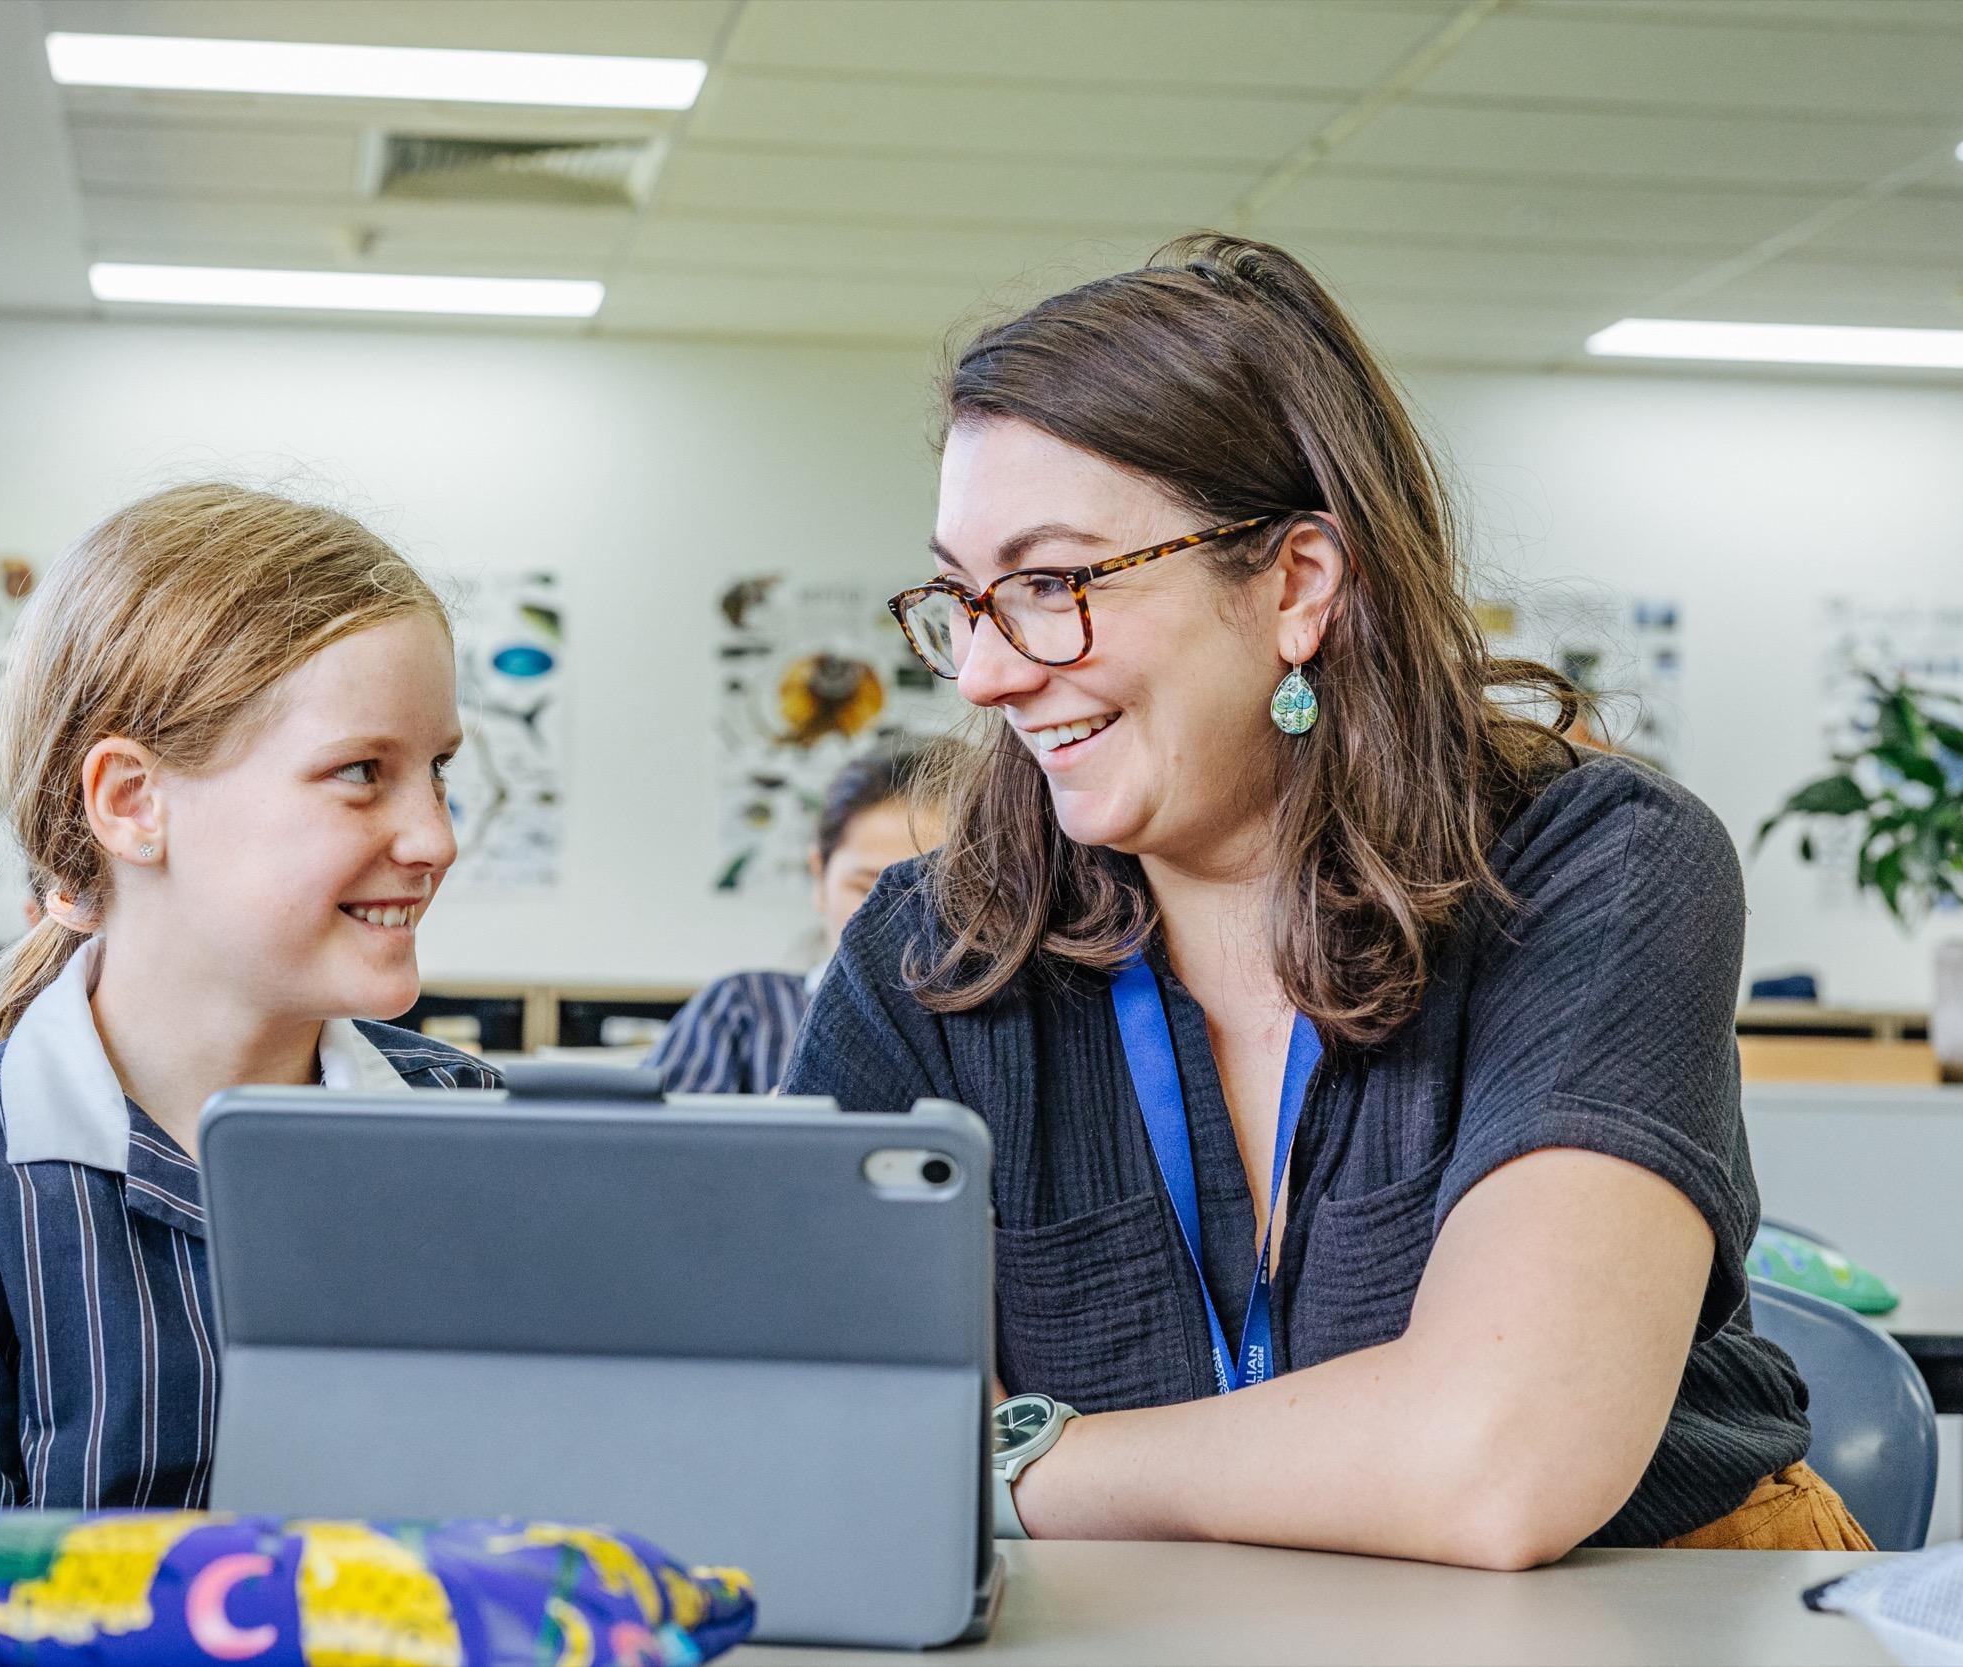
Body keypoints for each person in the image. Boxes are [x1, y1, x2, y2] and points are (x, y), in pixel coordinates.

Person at [784, 232, 1864, 1565]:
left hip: (1643, 1616)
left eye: (1051, 584)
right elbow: (805, 1422)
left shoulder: (1598, 867)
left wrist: (1018, 1455)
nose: (988, 674)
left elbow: (1501, 1457)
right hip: (1162, 1629)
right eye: (963, 597)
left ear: (1297, 582)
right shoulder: (930, 952)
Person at [0, 484, 497, 1510]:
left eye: (435, 770)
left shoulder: (476, 1126)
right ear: (132, 801)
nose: (434, 836)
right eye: (360, 771)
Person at [646, 740, 951, 1093]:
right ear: (819, 877)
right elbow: (643, 1145)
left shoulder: (998, 1037)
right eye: (866, 889)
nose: (897, 920)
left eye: (934, 894)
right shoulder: (741, 1012)